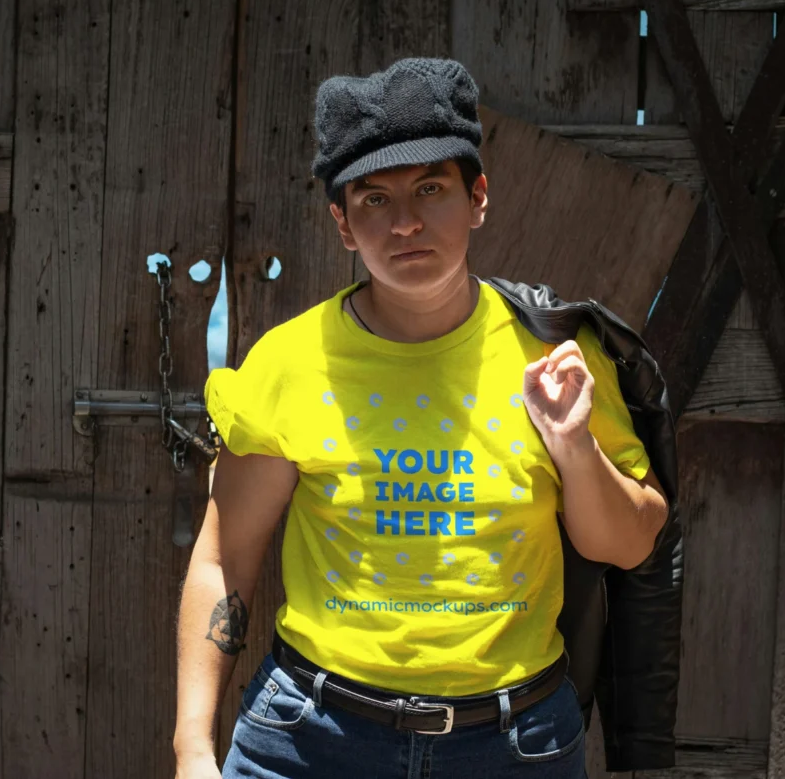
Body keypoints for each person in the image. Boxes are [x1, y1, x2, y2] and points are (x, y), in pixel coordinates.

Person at [173, 57, 675, 779]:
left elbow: (629, 545)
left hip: (513, 744)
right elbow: (225, 558)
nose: (404, 222)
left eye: (430, 188)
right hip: (311, 742)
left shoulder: (557, 355)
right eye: (373, 199)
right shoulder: (290, 363)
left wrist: (572, 446)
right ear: (343, 224)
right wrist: (192, 745)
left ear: (477, 198)